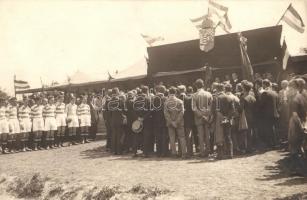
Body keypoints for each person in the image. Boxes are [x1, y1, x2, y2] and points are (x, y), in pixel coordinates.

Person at [212, 83, 234, 159]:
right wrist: (227, 117)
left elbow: (214, 110)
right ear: (223, 89)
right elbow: (232, 110)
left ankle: (220, 155)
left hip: (218, 119)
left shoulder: (216, 98)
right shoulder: (229, 98)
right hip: (227, 119)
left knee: (219, 136)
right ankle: (230, 153)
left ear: (217, 89)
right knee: (228, 136)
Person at [164, 86, 187, 158]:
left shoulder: (166, 102)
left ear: (168, 92)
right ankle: (183, 153)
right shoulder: (180, 101)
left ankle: (173, 153)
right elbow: (182, 112)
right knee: (182, 137)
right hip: (179, 122)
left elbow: (166, 114)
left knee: (172, 138)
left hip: (170, 123)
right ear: (176, 92)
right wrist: (177, 121)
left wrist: (171, 122)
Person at [192, 79, 213, 157]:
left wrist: (200, 115)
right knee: (207, 135)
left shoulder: (194, 95)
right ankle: (208, 150)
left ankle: (202, 152)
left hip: (199, 118)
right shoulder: (209, 94)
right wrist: (206, 115)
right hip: (207, 117)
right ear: (203, 85)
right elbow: (211, 106)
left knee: (200, 135)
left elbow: (194, 108)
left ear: (196, 86)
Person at [260, 79, 279, 148]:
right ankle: (276, 142)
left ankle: (271, 143)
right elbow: (278, 104)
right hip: (275, 113)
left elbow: (261, 104)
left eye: (262, 84)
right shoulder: (275, 92)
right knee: (274, 128)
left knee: (269, 129)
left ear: (264, 85)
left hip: (267, 114)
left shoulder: (264, 93)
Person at [133, 86, 152, 157]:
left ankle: (135, 152)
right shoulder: (147, 99)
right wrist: (143, 118)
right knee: (146, 136)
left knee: (137, 136)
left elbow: (133, 111)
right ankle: (145, 152)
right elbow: (150, 110)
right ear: (147, 91)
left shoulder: (136, 100)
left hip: (137, 120)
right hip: (146, 120)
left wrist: (138, 118)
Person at [239, 81, 256, 153]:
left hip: (245, 117)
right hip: (252, 116)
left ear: (244, 89)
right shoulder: (253, 97)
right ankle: (250, 147)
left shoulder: (243, 98)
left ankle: (246, 148)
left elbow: (240, 109)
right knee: (250, 132)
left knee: (244, 133)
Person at [152, 85, 169, 157]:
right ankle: (164, 152)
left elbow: (152, 110)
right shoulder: (165, 98)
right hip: (164, 119)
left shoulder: (154, 99)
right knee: (164, 136)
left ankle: (158, 152)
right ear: (163, 91)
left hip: (156, 120)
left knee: (158, 136)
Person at [109, 87, 125, 155]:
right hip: (119, 120)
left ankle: (113, 150)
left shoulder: (109, 101)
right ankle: (119, 150)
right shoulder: (120, 101)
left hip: (113, 120)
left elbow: (109, 112)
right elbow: (124, 110)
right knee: (119, 135)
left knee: (113, 135)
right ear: (117, 92)